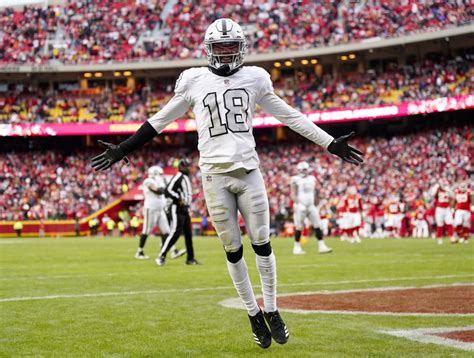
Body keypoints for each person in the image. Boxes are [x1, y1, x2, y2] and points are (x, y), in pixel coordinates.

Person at [91, 18, 363, 349]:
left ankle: (273, 309)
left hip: (249, 172)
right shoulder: (193, 80)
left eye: (230, 47)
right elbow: (159, 121)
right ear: (208, 49)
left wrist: (330, 143)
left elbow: (290, 116)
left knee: (262, 244)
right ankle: (253, 314)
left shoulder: (255, 78)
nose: (224, 54)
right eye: (219, 48)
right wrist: (123, 149)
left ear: (241, 48)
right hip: (214, 177)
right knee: (233, 251)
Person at [136, 165, 185, 260]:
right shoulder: (148, 181)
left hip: (160, 209)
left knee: (166, 231)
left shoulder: (160, 181)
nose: (162, 176)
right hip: (151, 209)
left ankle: (173, 251)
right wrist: (168, 189)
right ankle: (140, 251)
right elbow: (158, 191)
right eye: (160, 174)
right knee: (146, 230)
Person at [158, 159, 199, 265]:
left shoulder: (186, 177)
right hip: (177, 208)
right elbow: (168, 190)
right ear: (181, 167)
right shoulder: (178, 176)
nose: (188, 168)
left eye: (188, 166)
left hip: (185, 208)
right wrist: (178, 198)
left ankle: (190, 259)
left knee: (188, 234)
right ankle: (161, 256)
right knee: (175, 232)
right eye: (186, 166)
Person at [290, 161, 332, 254]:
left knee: (318, 225)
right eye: (301, 169)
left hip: (311, 206)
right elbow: (293, 194)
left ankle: (322, 246)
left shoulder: (312, 178)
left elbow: (315, 192)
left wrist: (317, 204)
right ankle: (296, 247)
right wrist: (298, 204)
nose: (303, 171)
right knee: (299, 227)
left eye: (304, 169)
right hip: (300, 206)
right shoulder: (295, 179)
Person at [430, 179, 454, 244]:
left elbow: (453, 196)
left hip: (447, 208)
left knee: (449, 223)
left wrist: (449, 190)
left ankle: (452, 238)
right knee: (440, 224)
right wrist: (436, 187)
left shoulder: (448, 190)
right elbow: (432, 194)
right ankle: (439, 238)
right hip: (439, 209)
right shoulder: (437, 189)